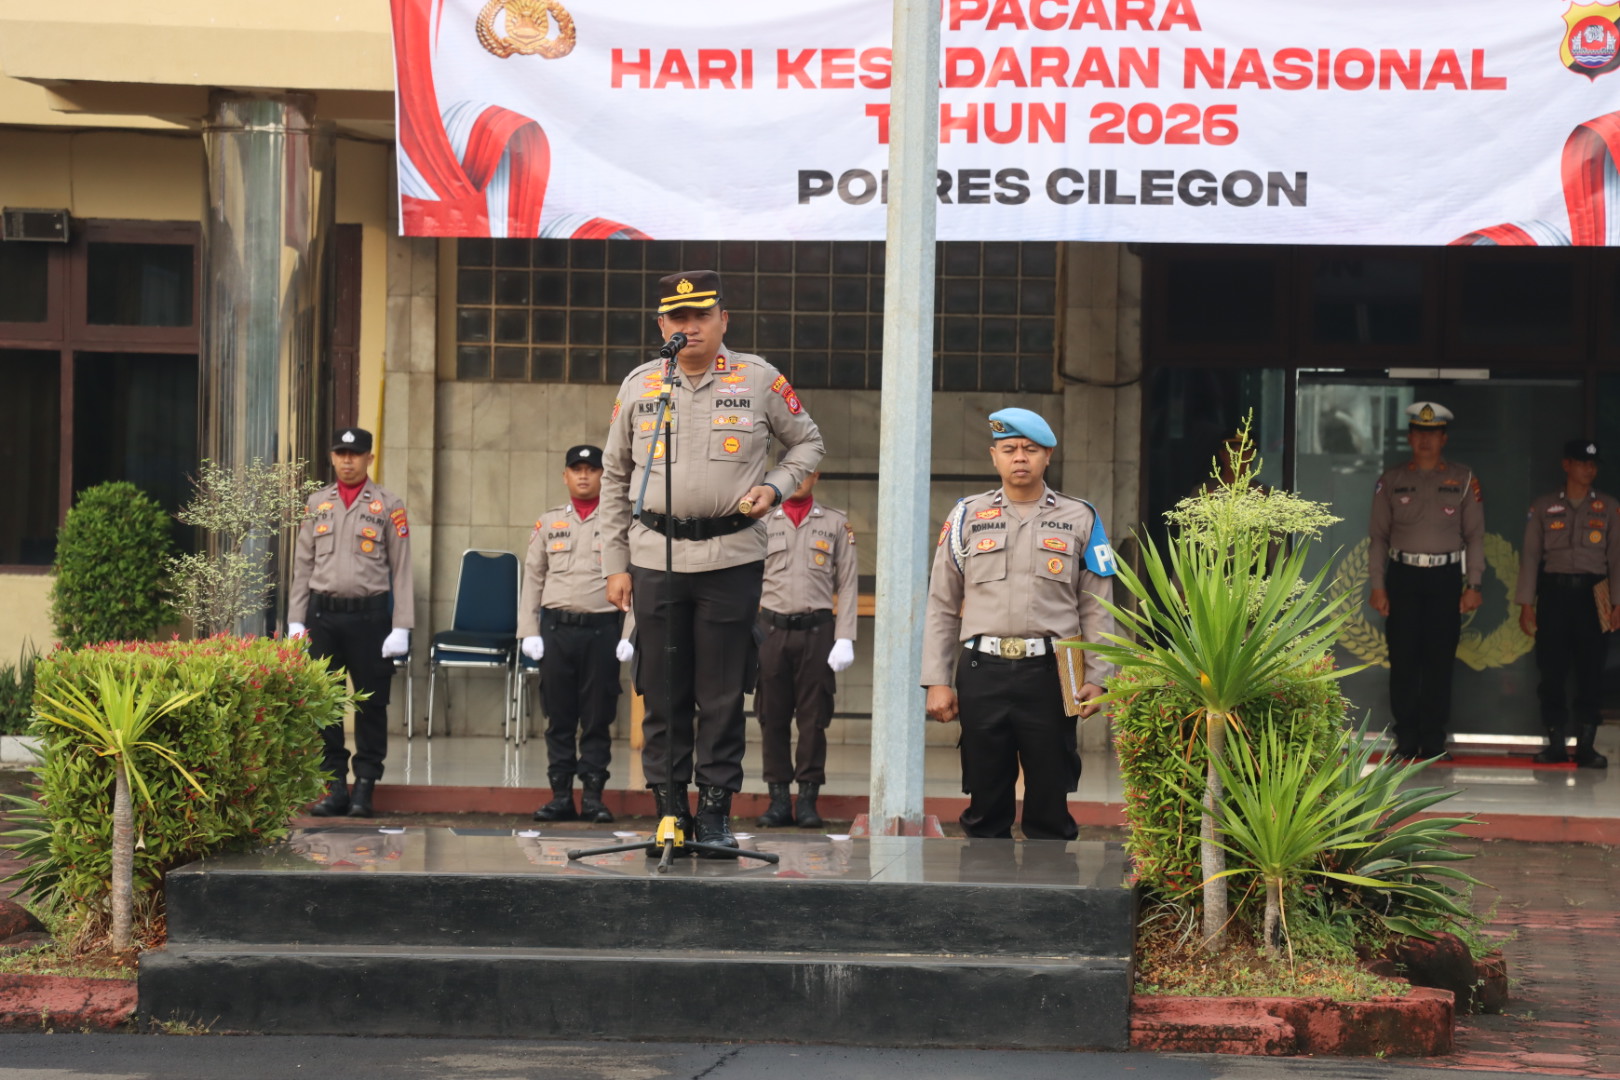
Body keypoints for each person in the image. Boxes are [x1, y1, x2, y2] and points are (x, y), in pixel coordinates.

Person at [599, 270, 825, 855]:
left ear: (724, 319)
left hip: (731, 558)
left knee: (723, 696)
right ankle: (670, 813)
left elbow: (808, 443)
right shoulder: (642, 383)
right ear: (662, 325)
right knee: (662, 692)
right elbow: (615, 475)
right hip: (656, 556)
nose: (690, 326)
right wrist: (615, 562)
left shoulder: (759, 378)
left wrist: (775, 487)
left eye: (702, 315)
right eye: (678, 318)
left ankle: (717, 814)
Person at [922, 408, 1116, 841]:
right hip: (982, 669)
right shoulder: (967, 516)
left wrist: (1099, 676)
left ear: (1048, 456)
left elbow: (1097, 606)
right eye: (1009, 449)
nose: (1020, 457)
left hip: (1052, 671)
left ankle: (1051, 884)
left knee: (1050, 800)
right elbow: (941, 603)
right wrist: (936, 680)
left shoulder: (1080, 518)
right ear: (994, 457)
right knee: (985, 801)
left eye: (1030, 449)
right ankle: (983, 884)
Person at [288, 427, 414, 818]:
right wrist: (295, 620)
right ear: (332, 457)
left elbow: (402, 570)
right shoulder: (316, 504)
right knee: (325, 705)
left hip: (370, 618)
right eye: (341, 453)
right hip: (322, 617)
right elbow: (303, 564)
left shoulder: (389, 505)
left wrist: (401, 626)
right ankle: (334, 787)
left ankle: (365, 787)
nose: (347, 460)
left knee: (371, 704)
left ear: (369, 458)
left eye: (355, 454)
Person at [519, 444, 637, 823]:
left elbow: (636, 579)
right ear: (565, 475)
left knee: (598, 716)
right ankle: (560, 796)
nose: (584, 475)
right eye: (576, 469)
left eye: (592, 469)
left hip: (603, 631)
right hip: (556, 630)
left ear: (605, 475)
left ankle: (593, 797)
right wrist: (529, 631)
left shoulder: (621, 523)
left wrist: (629, 634)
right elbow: (533, 577)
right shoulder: (549, 522)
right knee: (559, 716)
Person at [1367, 401, 1485, 762]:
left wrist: (1473, 584)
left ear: (1444, 438)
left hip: (1445, 578)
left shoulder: (1463, 479)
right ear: (1409, 437)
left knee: (1439, 660)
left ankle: (1433, 739)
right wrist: (1378, 585)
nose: (1426, 440)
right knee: (1403, 658)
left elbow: (1475, 536)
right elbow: (1378, 537)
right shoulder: (1391, 479)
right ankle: (1406, 739)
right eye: (1419, 433)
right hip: (1403, 576)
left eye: (1433, 434)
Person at [753, 470, 858, 829]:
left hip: (817, 632)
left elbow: (847, 583)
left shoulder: (835, 523)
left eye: (804, 473)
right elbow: (747, 579)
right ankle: (779, 800)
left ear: (816, 476)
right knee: (771, 717)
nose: (797, 480)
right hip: (771, 631)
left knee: (814, 720)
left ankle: (809, 800)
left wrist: (845, 636)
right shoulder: (762, 521)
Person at [1515, 439, 1617, 769]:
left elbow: (1616, 558)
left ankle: (1586, 745)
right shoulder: (1544, 506)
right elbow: (1531, 557)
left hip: (1595, 594)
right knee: (1552, 670)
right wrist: (1526, 603)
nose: (1589, 469)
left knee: (1592, 671)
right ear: (1566, 465)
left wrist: (1618, 602)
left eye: (1593, 464)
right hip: (1555, 593)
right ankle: (1556, 743)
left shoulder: (1608, 507)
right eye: (1582, 462)